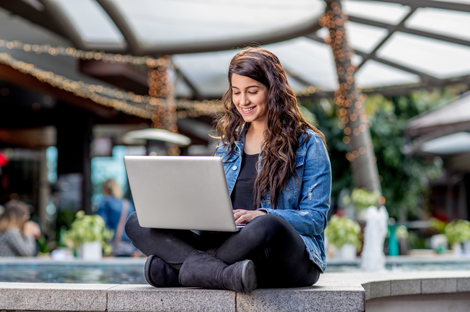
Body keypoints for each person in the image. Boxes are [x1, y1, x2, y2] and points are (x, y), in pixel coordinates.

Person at [125, 48, 331, 293]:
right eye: (236, 92)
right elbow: (213, 205)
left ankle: (184, 270)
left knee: (269, 225)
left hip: (281, 251)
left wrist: (262, 214)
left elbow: (316, 220)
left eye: (252, 91)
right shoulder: (228, 146)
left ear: (273, 90)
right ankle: (223, 274)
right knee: (137, 221)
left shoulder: (308, 144)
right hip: (229, 244)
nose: (243, 101)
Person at [97, 179, 137, 257]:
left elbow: (101, 225)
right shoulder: (127, 204)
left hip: (112, 248)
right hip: (129, 248)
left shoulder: (105, 202)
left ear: (105, 189)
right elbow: (135, 228)